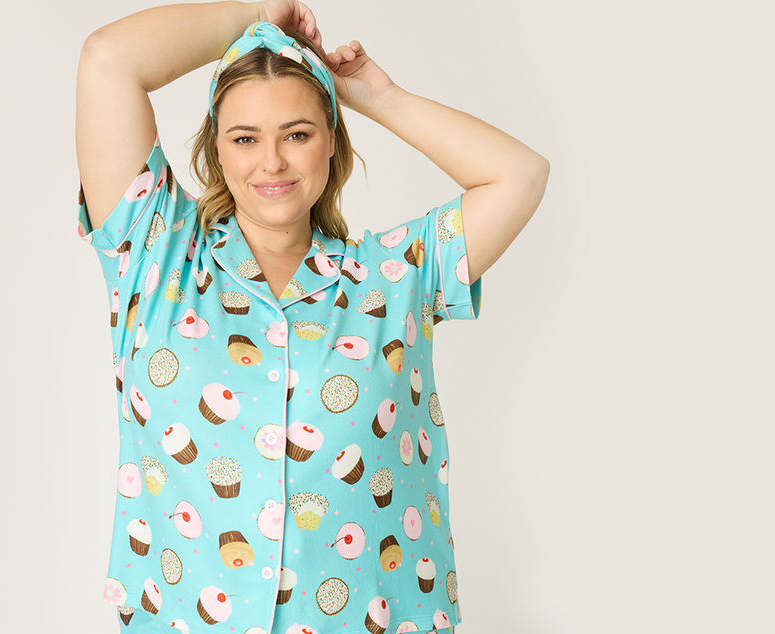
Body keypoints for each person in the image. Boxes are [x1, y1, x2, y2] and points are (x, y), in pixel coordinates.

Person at [75, 2, 547, 631]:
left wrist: (376, 96)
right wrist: (256, 12)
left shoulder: (394, 280)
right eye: (245, 138)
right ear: (217, 149)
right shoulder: (155, 254)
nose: (271, 162)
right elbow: (108, 60)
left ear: (331, 140)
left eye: (296, 134)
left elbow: (519, 175)